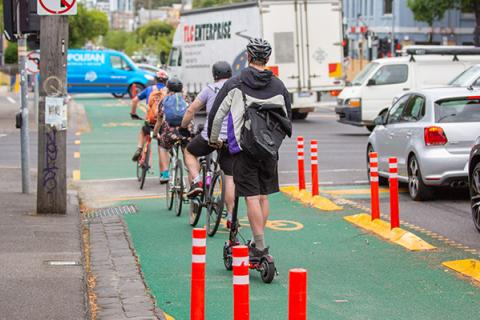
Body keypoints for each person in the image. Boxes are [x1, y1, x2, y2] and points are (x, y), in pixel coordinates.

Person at [208, 38, 292, 259]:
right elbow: (287, 118)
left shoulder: (235, 83)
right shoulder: (279, 85)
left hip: (244, 148)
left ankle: (261, 247)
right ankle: (256, 242)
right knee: (263, 197)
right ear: (268, 59)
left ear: (248, 56)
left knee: (251, 198)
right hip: (269, 148)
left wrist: (213, 139)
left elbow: (216, 115)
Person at [180, 61, 236, 227]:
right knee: (229, 177)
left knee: (190, 152)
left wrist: (183, 126)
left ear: (214, 74)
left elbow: (192, 110)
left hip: (211, 136)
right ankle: (231, 217)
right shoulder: (237, 89)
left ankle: (197, 180)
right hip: (230, 139)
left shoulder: (209, 89)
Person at [130, 70, 170, 183]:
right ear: (166, 81)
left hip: (150, 122)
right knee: (162, 148)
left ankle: (139, 148)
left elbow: (134, 101)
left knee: (144, 131)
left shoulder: (149, 90)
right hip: (162, 124)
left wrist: (133, 113)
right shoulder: (168, 91)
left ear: (155, 79)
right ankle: (163, 174)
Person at [153, 77, 191, 163]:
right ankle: (191, 174)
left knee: (162, 147)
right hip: (185, 131)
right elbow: (191, 115)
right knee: (189, 153)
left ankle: (165, 173)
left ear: (168, 88)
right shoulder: (186, 99)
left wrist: (155, 134)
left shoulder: (164, 100)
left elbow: (159, 121)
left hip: (170, 132)